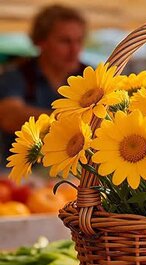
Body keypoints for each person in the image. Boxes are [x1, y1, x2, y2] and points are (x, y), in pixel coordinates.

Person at [0, 5, 87, 160]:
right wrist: (68, 123)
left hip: (75, 172)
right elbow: (9, 116)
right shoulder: (18, 75)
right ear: (41, 42)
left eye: (79, 41)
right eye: (65, 41)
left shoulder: (89, 76)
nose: (75, 49)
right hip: (25, 172)